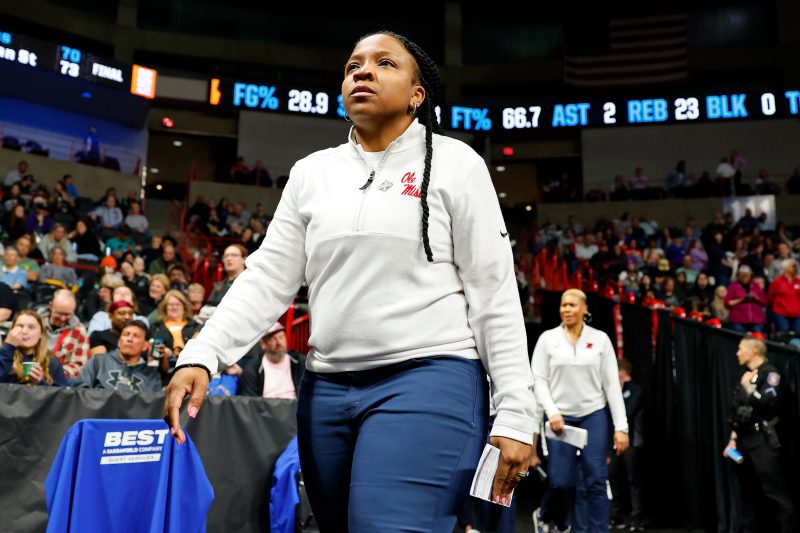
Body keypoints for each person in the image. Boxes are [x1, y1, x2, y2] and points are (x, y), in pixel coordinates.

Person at [164, 30, 535, 531]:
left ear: (417, 94)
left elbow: (494, 294)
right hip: (325, 390)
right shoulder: (311, 172)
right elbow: (267, 278)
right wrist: (202, 354)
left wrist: (516, 411)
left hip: (429, 378)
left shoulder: (457, 164)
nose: (363, 71)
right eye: (353, 65)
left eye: (385, 63)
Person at [531, 289, 629, 532]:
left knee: (596, 480)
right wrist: (552, 411)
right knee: (560, 483)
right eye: (563, 305)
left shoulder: (600, 340)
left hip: (593, 415)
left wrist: (621, 427)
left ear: (585, 309)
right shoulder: (547, 339)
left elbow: (612, 385)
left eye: (572, 305)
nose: (566, 309)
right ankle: (548, 516)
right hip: (560, 419)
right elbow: (538, 381)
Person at [725, 337, 796, 532]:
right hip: (742, 446)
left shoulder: (771, 374)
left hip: (763, 443)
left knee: (777, 494)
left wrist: (749, 388)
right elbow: (736, 411)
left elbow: (767, 402)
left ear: (754, 351)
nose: (737, 353)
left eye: (741, 349)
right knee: (749, 494)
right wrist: (732, 440)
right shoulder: (745, 375)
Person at [74, 320, 164, 392]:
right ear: (119, 342)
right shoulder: (99, 362)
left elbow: (153, 404)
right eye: (126, 334)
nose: (129, 339)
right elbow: (80, 391)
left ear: (145, 346)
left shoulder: (151, 376)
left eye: (136, 336)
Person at [609, 358, 644, 531]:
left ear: (622, 371)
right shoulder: (613, 391)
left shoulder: (636, 390)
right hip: (613, 442)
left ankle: (636, 517)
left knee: (633, 479)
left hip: (632, 442)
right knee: (613, 477)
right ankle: (616, 515)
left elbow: (627, 412)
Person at [0, 310, 67, 386]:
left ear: (41, 334)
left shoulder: (53, 362)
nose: (24, 331)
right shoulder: (4, 356)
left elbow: (62, 392)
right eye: (20, 326)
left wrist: (39, 383)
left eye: (31, 327)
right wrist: (9, 346)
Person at [239, 322, 305, 398]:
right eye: (272, 339)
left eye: (281, 337)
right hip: (265, 405)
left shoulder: (300, 362)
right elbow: (249, 401)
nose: (279, 342)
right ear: (263, 344)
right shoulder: (253, 368)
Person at [36, 289, 90, 379]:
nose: (63, 318)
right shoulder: (34, 322)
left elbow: (79, 365)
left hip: (59, 379)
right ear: (50, 306)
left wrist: (54, 372)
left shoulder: (79, 331)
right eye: (59, 313)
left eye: (68, 314)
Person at [149, 289, 200, 361]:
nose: (174, 307)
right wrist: (164, 352)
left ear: (184, 307)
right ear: (165, 307)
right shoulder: (156, 327)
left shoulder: (195, 326)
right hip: (166, 363)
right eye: (171, 305)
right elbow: (153, 352)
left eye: (177, 304)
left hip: (191, 362)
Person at [724, 265, 767, 333]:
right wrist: (742, 299)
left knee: (757, 337)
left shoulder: (755, 285)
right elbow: (727, 303)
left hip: (756, 319)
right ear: (738, 275)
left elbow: (765, 302)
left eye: (747, 275)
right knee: (739, 337)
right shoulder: (733, 286)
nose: (745, 278)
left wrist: (756, 298)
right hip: (738, 319)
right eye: (742, 275)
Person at [767, 259, 800, 332]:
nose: (795, 268)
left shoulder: (798, 281)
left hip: (797, 313)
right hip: (781, 313)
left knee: (797, 335)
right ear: (785, 268)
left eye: (795, 266)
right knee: (783, 335)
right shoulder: (777, 282)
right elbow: (770, 298)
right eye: (792, 266)